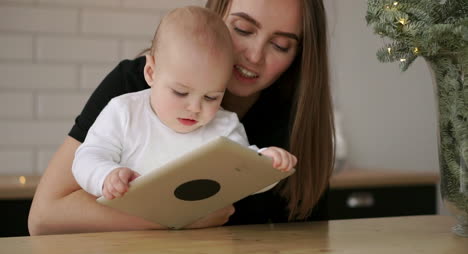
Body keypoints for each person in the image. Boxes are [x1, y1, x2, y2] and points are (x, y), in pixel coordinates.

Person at [28, 0, 335, 235]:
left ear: (299, 55)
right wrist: (176, 217)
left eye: (280, 45)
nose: (254, 55)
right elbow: (43, 217)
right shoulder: (131, 95)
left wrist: (267, 164)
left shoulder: (284, 119)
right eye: (242, 29)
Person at [72, 7, 296, 201]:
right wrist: (106, 176)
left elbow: (242, 175)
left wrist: (268, 162)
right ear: (151, 72)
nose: (195, 108)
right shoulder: (124, 111)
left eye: (211, 97)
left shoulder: (224, 126)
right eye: (180, 92)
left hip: (196, 244)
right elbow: (86, 158)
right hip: (128, 240)